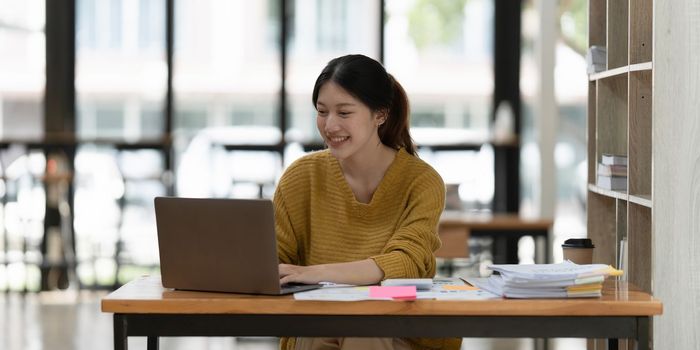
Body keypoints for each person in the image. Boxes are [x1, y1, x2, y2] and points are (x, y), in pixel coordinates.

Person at [273, 54, 461, 350]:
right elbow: (274, 263)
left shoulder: (421, 181)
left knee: (363, 328)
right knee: (321, 332)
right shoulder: (301, 176)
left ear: (380, 115)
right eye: (322, 112)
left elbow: (406, 262)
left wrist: (315, 272)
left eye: (344, 113)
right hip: (318, 321)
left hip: (401, 329)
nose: (329, 125)